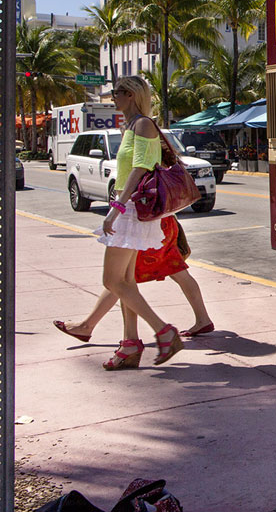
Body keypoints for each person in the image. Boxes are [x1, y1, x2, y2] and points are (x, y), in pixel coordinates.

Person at [91, 75, 184, 369]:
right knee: (126, 282)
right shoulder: (130, 126)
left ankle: (164, 331)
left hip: (130, 209)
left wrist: (116, 208)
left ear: (131, 95)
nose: (113, 97)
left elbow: (142, 166)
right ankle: (129, 345)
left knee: (112, 280)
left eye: (117, 93)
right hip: (127, 207)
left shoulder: (143, 124)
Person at [53, 216, 214, 343]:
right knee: (176, 270)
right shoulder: (164, 171)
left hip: (146, 225)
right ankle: (202, 319)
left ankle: (114, 334)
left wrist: (114, 213)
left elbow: (127, 193)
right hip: (165, 223)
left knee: (121, 279)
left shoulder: (140, 171)